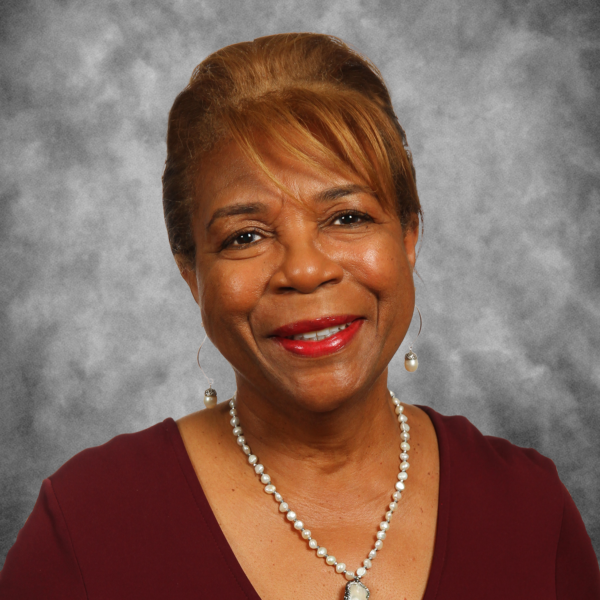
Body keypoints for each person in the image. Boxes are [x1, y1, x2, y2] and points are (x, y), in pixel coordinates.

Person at [1, 33, 598, 600]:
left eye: (346, 218)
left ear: (409, 234)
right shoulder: (87, 523)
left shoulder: (530, 508)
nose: (306, 271)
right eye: (245, 236)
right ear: (190, 271)